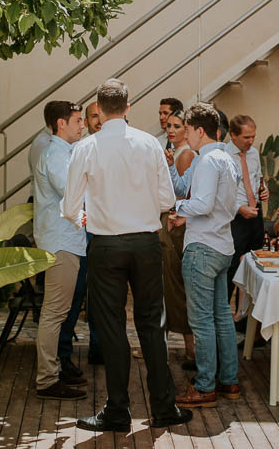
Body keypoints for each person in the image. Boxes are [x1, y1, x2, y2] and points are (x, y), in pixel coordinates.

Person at [62, 79, 193, 432]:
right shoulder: (150, 144)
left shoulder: (86, 147)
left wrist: (82, 217)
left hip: (106, 245)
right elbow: (167, 200)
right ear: (128, 108)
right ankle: (164, 408)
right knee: (153, 325)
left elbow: (71, 206)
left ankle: (117, 411)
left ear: (99, 110)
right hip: (147, 243)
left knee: (112, 327)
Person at [168, 103, 244, 407]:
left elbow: (200, 204)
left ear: (200, 131)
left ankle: (204, 387)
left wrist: (178, 210)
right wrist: (171, 166)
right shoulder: (226, 159)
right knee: (222, 318)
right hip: (223, 244)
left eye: (187, 130)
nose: (185, 135)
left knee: (201, 322)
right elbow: (185, 188)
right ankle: (229, 382)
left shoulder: (208, 161)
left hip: (202, 248)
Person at [32, 100, 88, 400]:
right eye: (77, 120)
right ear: (60, 123)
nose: (83, 125)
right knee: (55, 313)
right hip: (60, 243)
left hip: (66, 241)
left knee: (59, 311)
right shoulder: (55, 154)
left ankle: (52, 373)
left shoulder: (65, 152)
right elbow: (72, 193)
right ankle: (47, 380)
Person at [63, 99, 103, 366]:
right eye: (92, 117)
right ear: (86, 122)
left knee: (102, 293)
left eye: (101, 115)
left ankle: (99, 349)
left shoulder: (120, 148)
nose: (98, 120)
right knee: (75, 293)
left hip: (107, 230)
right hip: (80, 228)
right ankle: (63, 354)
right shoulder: (78, 150)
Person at [159, 107, 196, 368]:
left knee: (174, 286)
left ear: (187, 130)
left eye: (176, 126)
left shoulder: (185, 156)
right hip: (172, 221)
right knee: (168, 286)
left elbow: (182, 195)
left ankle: (190, 348)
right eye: (169, 125)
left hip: (176, 224)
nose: (171, 130)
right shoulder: (174, 153)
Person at [225, 114, 267, 299]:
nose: (251, 141)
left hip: (256, 214)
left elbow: (257, 178)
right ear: (233, 135)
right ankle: (223, 313)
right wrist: (238, 208)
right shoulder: (224, 156)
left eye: (253, 137)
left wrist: (263, 190)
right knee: (232, 266)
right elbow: (222, 193)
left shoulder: (254, 153)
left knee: (255, 264)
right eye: (246, 137)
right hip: (236, 217)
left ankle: (245, 318)